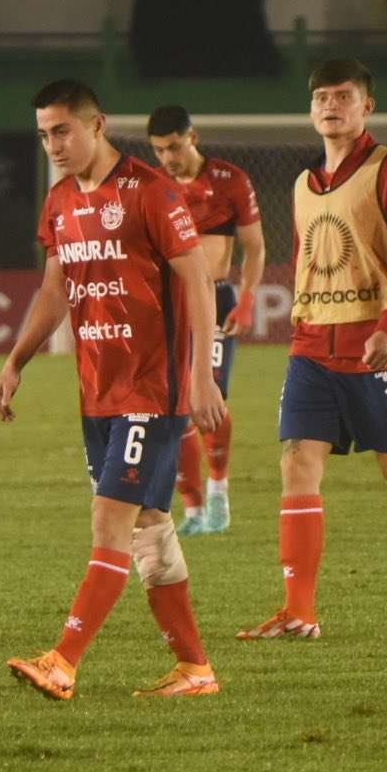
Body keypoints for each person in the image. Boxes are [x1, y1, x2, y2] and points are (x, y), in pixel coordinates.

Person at [0, 79, 227, 701]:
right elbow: (54, 289)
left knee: (109, 519)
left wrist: (201, 373)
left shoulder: (151, 191)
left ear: (97, 126)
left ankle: (63, 660)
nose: (53, 145)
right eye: (44, 134)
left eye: (62, 130)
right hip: (98, 390)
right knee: (149, 524)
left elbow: (199, 281)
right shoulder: (61, 201)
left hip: (152, 390)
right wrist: (17, 360)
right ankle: (195, 669)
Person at [238, 59, 387, 641]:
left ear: (368, 107)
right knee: (296, 462)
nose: (330, 106)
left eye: (343, 96)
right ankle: (299, 611)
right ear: (311, 110)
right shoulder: (302, 185)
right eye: (321, 98)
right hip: (311, 346)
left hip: (377, 345)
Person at [145, 104, 265, 536]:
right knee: (171, 410)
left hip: (214, 298)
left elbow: (255, 247)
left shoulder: (229, 181)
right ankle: (194, 510)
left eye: (174, 147)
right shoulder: (154, 185)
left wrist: (247, 299)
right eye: (159, 150)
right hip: (168, 305)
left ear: (192, 138)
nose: (167, 158)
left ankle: (218, 492)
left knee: (206, 401)